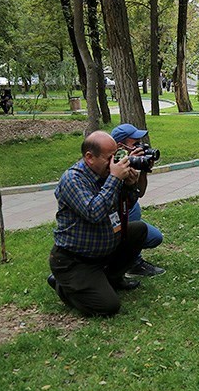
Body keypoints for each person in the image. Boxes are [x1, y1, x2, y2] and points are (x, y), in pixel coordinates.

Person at [47, 131, 147, 316]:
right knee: (108, 306)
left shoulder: (104, 174)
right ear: (89, 157)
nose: (113, 163)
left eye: (115, 156)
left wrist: (130, 186)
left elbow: (122, 207)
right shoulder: (73, 179)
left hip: (103, 251)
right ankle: (62, 285)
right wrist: (115, 179)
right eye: (109, 158)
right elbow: (94, 213)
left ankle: (112, 278)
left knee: (139, 230)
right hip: (75, 260)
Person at [110, 123, 166, 277]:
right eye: (135, 144)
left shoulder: (131, 163)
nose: (140, 147)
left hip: (123, 219)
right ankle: (133, 263)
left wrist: (144, 170)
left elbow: (139, 193)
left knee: (155, 237)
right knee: (131, 211)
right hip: (107, 225)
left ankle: (127, 258)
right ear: (120, 146)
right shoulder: (111, 165)